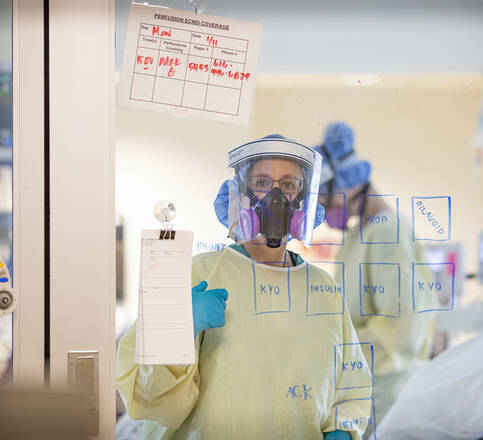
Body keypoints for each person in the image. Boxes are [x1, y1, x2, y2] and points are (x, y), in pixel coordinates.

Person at [117, 134, 373, 439]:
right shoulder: (198, 273)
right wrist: (177, 328)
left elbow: (352, 384)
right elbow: (154, 404)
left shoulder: (324, 290)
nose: (276, 197)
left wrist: (343, 429)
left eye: (289, 185)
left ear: (304, 202)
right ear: (238, 196)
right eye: (262, 183)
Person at [314, 122, 437, 429]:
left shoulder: (388, 233)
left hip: (387, 394)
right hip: (361, 389)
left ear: (350, 184)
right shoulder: (358, 235)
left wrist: (331, 354)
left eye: (326, 203)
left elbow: (401, 330)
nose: (325, 214)